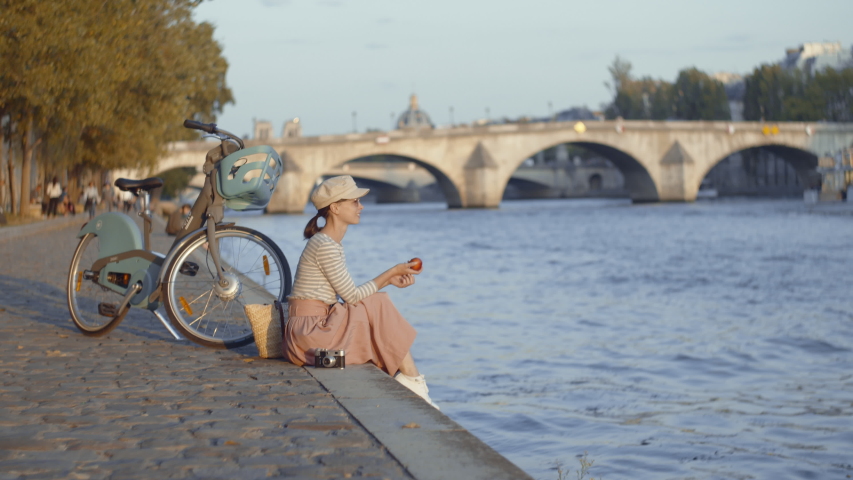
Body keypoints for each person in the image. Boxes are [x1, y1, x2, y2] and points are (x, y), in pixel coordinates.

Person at [284, 175, 438, 409]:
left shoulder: (328, 242)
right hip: (309, 340)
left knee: (377, 321)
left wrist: (390, 280)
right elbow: (352, 297)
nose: (361, 206)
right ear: (335, 208)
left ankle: (411, 380)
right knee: (377, 304)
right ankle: (413, 380)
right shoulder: (324, 245)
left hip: (309, 337)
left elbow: (351, 296)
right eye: (355, 202)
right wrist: (391, 273)